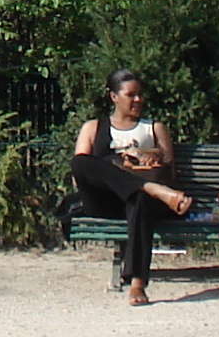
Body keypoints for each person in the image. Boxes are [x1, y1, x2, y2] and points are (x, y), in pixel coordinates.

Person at [68, 70, 195, 306]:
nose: (138, 100)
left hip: (142, 203)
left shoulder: (153, 128)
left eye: (140, 95)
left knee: (140, 199)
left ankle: (137, 283)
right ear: (114, 96)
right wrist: (116, 164)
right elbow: (81, 175)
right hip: (106, 200)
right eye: (131, 95)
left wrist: (150, 156)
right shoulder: (93, 127)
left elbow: (169, 170)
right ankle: (149, 188)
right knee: (80, 161)